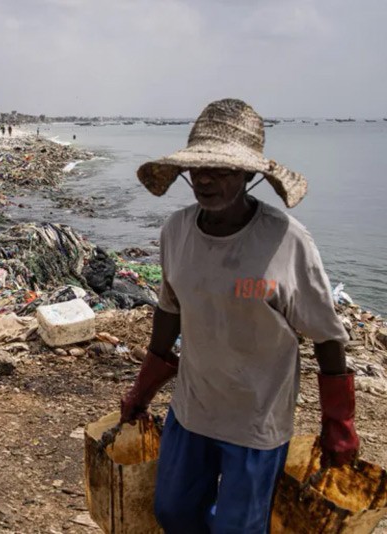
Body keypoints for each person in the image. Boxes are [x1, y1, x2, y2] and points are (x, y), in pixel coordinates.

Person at [121, 98, 357, 533]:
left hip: (256, 421)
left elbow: (328, 338)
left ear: (251, 175)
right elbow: (169, 312)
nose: (205, 179)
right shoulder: (176, 231)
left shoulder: (286, 242)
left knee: (238, 528)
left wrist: (338, 421)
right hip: (192, 410)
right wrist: (143, 390)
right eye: (198, 168)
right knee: (172, 512)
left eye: (223, 169)